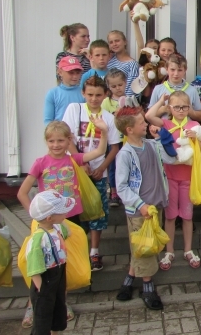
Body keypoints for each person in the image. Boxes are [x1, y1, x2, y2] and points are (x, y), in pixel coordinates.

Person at [17, 119, 108, 327]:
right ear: (46, 142)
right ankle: (34, 303)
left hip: (70, 220)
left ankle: (61, 302)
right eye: (51, 141)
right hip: (46, 222)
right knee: (41, 264)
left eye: (60, 140)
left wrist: (103, 132)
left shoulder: (74, 160)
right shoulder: (40, 163)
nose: (56, 145)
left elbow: (98, 152)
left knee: (61, 264)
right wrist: (36, 214)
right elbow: (22, 192)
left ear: (69, 141)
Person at [113, 105, 175, 310]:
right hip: (140, 210)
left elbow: (171, 158)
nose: (146, 124)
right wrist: (139, 205)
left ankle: (129, 280)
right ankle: (148, 286)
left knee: (142, 246)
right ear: (129, 129)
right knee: (145, 248)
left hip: (155, 207)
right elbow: (121, 186)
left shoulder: (151, 145)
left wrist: (163, 137)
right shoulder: (125, 154)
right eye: (141, 122)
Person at [62, 76, 121, 271]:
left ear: (105, 95)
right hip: (75, 171)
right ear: (83, 93)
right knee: (73, 211)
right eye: (90, 95)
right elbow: (67, 138)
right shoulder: (74, 109)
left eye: (98, 95)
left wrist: (102, 167)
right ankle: (74, 250)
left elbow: (114, 147)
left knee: (97, 212)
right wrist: (80, 161)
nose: (94, 99)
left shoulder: (109, 118)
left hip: (97, 172)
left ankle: (94, 252)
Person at [145, 91, 201, 270]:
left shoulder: (194, 125)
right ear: (170, 108)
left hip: (188, 178)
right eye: (177, 107)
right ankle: (169, 251)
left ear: (189, 108)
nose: (181, 110)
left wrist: (196, 139)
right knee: (170, 216)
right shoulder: (165, 124)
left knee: (187, 216)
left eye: (185, 107)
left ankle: (188, 249)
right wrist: (161, 101)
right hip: (169, 176)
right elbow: (149, 116)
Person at [25, 190, 74, 335]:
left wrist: (61, 219)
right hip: (45, 279)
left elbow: (69, 233)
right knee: (43, 317)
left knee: (58, 310)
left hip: (58, 273)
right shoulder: (38, 239)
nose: (65, 214)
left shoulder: (57, 228)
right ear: (49, 217)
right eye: (62, 212)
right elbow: (34, 268)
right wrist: (42, 290)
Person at [149, 54, 201, 122]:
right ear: (166, 69)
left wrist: (190, 111)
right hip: (165, 130)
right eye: (172, 70)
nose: (176, 74)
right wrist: (162, 110)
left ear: (185, 70)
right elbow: (149, 115)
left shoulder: (192, 90)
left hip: (185, 131)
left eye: (180, 70)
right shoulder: (158, 89)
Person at [102, 69, 127, 207]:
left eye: (120, 85)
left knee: (126, 166)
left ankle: (125, 191)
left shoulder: (130, 99)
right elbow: (103, 119)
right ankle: (113, 192)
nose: (117, 88)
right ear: (109, 87)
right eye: (113, 86)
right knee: (113, 166)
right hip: (113, 140)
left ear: (125, 83)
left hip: (127, 139)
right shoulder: (106, 102)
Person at [44, 56, 86, 126]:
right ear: (60, 72)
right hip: (59, 134)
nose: (75, 76)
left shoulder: (84, 93)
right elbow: (48, 121)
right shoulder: (52, 93)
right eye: (71, 73)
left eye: (77, 73)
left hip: (78, 134)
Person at [106, 30, 139, 97]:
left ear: (125, 42)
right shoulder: (108, 61)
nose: (114, 44)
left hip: (123, 102)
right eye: (111, 42)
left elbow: (131, 89)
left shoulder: (132, 64)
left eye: (117, 41)